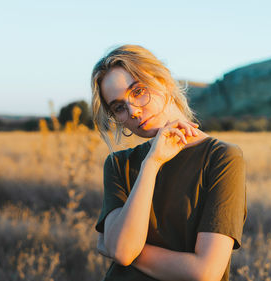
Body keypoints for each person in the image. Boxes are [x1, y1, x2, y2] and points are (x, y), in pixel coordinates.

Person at [91, 44, 246, 281]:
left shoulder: (221, 157)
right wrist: (151, 163)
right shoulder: (118, 164)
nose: (132, 110)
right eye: (119, 107)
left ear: (163, 80)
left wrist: (114, 246)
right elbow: (122, 252)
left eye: (138, 91)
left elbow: (205, 272)